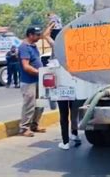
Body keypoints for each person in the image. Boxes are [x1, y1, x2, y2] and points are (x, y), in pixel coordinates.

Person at [42, 22, 81, 150]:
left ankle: (65, 142)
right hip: (74, 85)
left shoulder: (56, 46)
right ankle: (74, 134)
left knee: (63, 115)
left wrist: (51, 24)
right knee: (74, 112)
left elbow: (45, 35)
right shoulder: (76, 48)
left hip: (61, 87)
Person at [18, 26, 46, 137]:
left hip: (38, 80)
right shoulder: (24, 47)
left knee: (40, 103)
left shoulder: (33, 46)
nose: (39, 37)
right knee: (29, 104)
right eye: (37, 35)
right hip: (29, 81)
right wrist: (40, 73)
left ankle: (35, 125)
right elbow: (26, 66)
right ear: (30, 35)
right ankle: (24, 128)